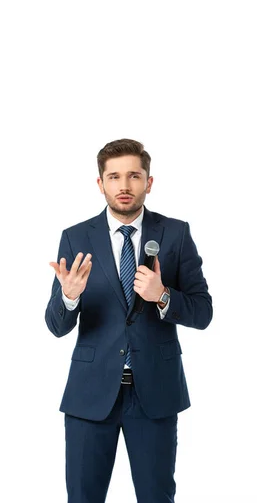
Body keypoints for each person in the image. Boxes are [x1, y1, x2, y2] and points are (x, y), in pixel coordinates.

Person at [45, 138, 213, 503]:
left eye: (134, 176)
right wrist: (69, 297)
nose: (124, 186)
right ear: (100, 183)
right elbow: (56, 325)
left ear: (148, 182)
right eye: (114, 177)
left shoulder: (176, 234)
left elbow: (203, 311)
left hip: (154, 391)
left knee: (156, 497)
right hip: (90, 394)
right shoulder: (75, 238)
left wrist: (163, 296)